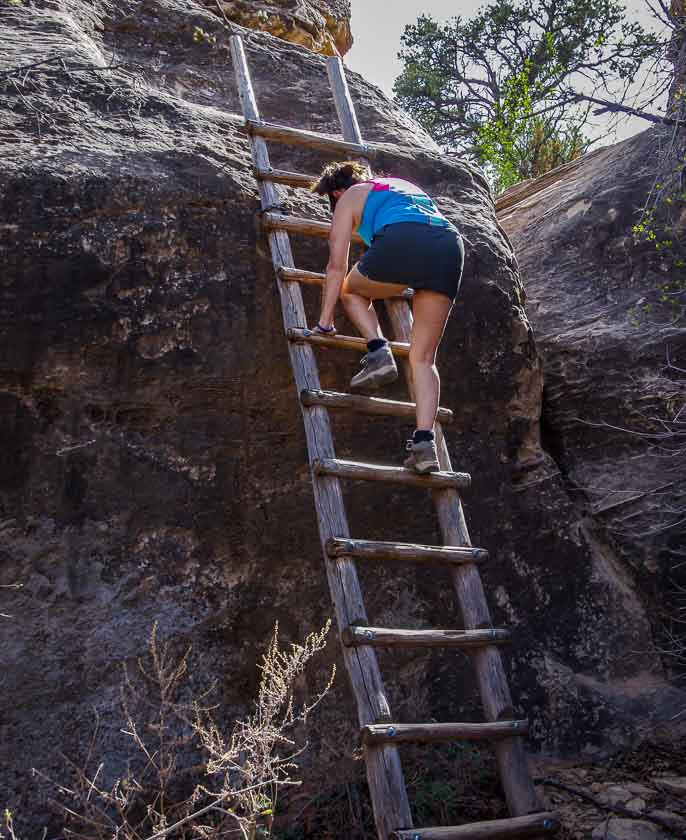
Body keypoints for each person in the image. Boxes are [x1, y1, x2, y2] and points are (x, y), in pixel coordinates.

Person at [309, 161, 464, 474]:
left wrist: (325, 322)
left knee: (351, 290)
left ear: (337, 192)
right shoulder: (399, 186)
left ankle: (379, 350)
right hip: (449, 244)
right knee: (423, 359)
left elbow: (336, 266)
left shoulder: (349, 196)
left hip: (404, 239)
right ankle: (424, 443)